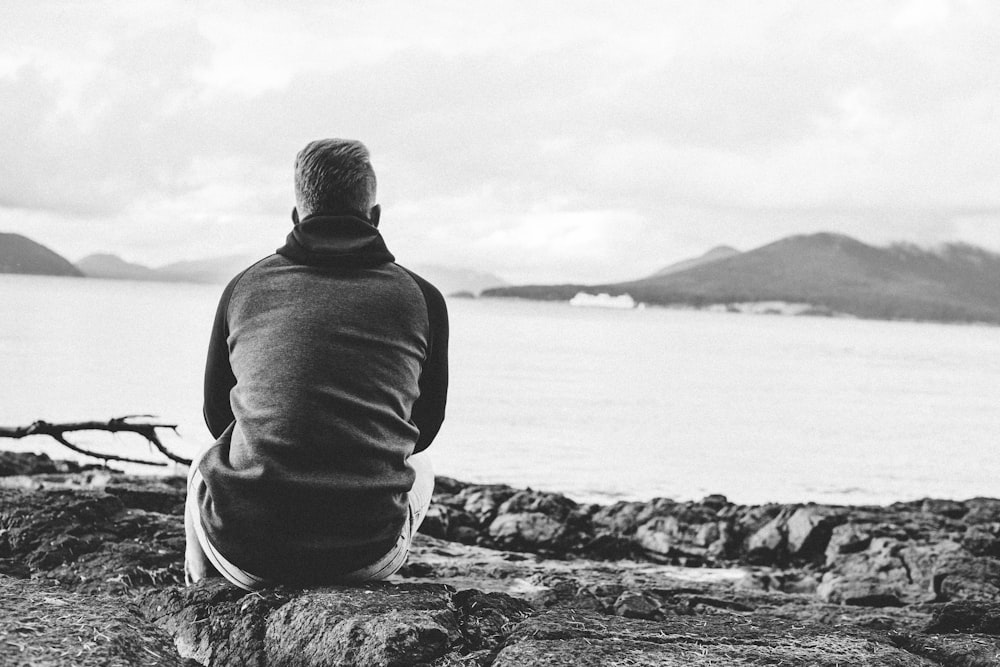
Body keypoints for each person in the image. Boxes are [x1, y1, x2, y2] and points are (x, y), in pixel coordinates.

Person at [184, 138, 448, 590]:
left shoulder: (244, 287)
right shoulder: (423, 299)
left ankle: (201, 589)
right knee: (423, 467)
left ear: (296, 216)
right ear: (376, 216)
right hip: (365, 555)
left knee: (201, 463)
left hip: (247, 555)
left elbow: (215, 417)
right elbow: (423, 429)